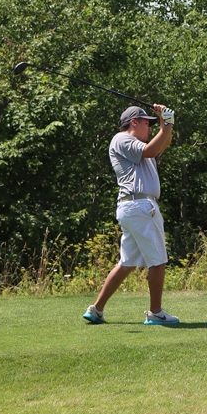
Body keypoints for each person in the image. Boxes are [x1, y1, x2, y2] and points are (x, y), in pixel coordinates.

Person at [83, 104, 179, 325]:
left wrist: (167, 125)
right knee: (158, 260)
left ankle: (96, 309)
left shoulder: (137, 145)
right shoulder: (122, 139)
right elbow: (151, 150)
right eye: (147, 123)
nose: (150, 128)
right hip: (140, 206)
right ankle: (156, 313)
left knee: (127, 262)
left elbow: (163, 143)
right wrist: (166, 124)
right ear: (134, 122)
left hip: (134, 207)